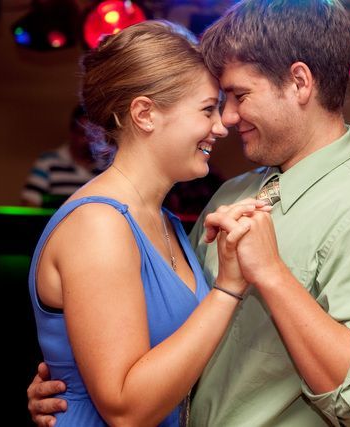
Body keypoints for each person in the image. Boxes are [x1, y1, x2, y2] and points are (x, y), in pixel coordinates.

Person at [27, 0, 350, 426]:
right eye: (213, 106)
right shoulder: (231, 194)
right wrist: (76, 380)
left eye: (239, 96)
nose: (226, 118)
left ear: (299, 83)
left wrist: (272, 275)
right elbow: (156, 341)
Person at [27, 20, 273, 426]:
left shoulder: (166, 222)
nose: (221, 125)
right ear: (145, 114)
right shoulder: (99, 225)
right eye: (207, 109)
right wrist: (228, 287)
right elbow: (125, 409)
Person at [21, 104, 102, 208]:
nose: (86, 140)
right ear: (72, 132)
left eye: (91, 135)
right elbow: (29, 202)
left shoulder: (106, 165)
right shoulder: (48, 162)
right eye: (82, 134)